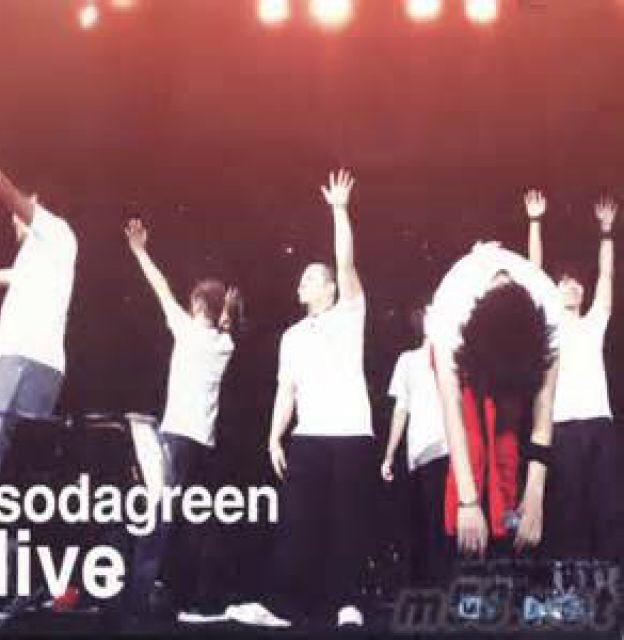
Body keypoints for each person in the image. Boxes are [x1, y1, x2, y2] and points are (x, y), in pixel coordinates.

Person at [267, 169, 374, 627]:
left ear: (330, 288)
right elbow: (285, 390)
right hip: (307, 437)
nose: (303, 282)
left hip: (351, 435)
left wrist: (339, 210)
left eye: (312, 278)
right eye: (303, 278)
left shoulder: (350, 312)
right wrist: (274, 437)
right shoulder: (291, 336)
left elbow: (345, 263)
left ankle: (348, 603)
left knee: (347, 525)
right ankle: (289, 606)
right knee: (298, 523)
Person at [124, 218, 241, 616]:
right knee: (192, 519)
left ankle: (141, 596)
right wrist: (226, 310)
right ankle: (185, 595)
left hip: (176, 437)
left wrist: (140, 251)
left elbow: (160, 287)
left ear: (197, 305)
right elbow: (226, 322)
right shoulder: (225, 344)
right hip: (202, 443)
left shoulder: (188, 332)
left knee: (159, 516)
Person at [426, 241, 561, 558]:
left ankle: (505, 524)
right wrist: (468, 502)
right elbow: (452, 411)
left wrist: (535, 495)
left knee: (506, 432)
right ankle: (466, 532)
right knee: (473, 435)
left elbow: (544, 408)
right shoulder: (450, 313)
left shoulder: (550, 310)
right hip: (464, 349)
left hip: (512, 348)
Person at [0, 157, 77, 599]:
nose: (12, 222)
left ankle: (3, 586)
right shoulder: (36, 259)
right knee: (11, 485)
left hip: (23, 366)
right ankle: (16, 585)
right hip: (33, 369)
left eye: (21, 213)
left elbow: (1, 185)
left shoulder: (54, 232)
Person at [524, 190, 618, 560]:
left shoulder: (594, 323)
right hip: (562, 426)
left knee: (608, 506)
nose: (573, 287)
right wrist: (535, 221)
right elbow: (533, 274)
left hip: (599, 424)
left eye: (578, 283)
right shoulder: (550, 326)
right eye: (564, 282)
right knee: (570, 508)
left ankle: (612, 579)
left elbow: (607, 276)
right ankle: (570, 580)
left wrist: (606, 232)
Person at [381, 306, 449, 586]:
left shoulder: (455, 358)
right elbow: (401, 409)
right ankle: (424, 589)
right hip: (419, 452)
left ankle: (445, 587)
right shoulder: (408, 360)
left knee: (444, 525)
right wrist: (389, 455)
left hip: (449, 449)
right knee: (422, 525)